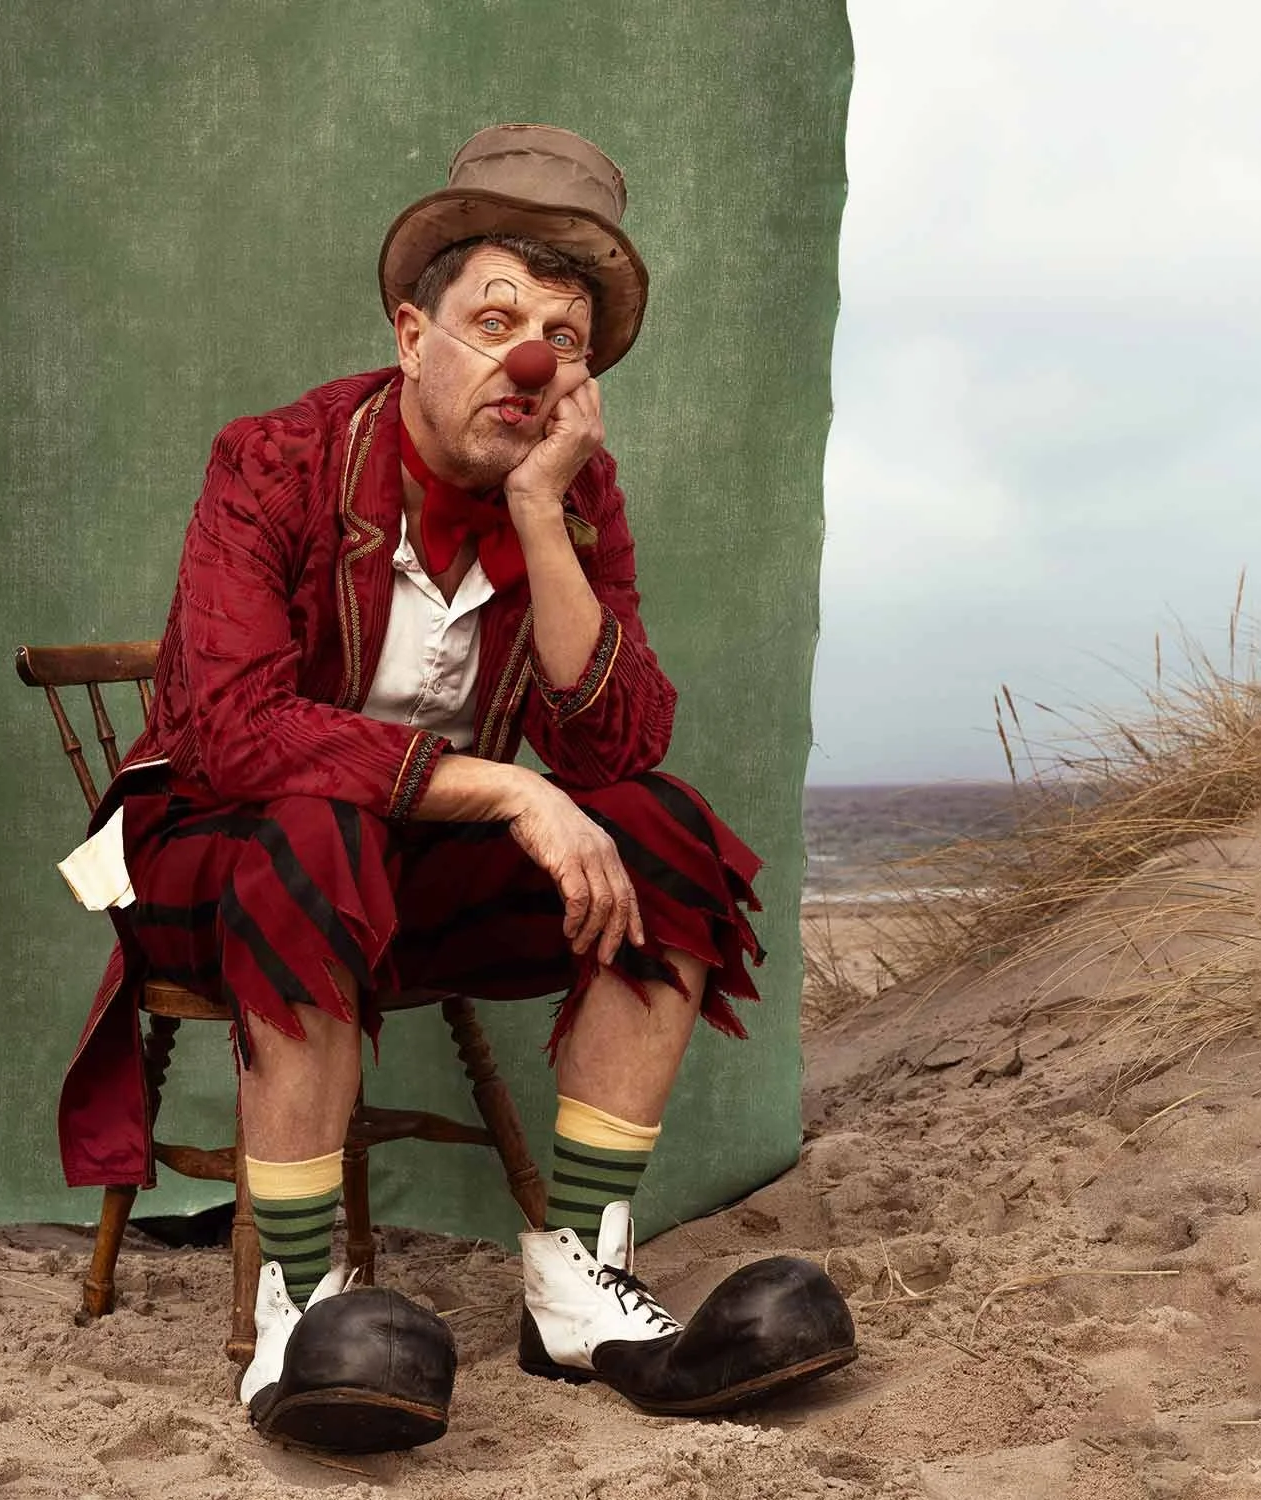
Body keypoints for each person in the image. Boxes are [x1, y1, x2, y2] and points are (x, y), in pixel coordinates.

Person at [55, 123, 849, 1451]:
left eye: (565, 338)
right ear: (412, 332)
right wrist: (505, 792)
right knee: (314, 831)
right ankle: (300, 1305)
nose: (530, 358)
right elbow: (232, 734)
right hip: (208, 853)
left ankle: (578, 1286)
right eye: (496, 319)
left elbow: (612, 753)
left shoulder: (577, 498)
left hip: (397, 874)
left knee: (661, 834)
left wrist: (546, 520)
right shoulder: (274, 461)